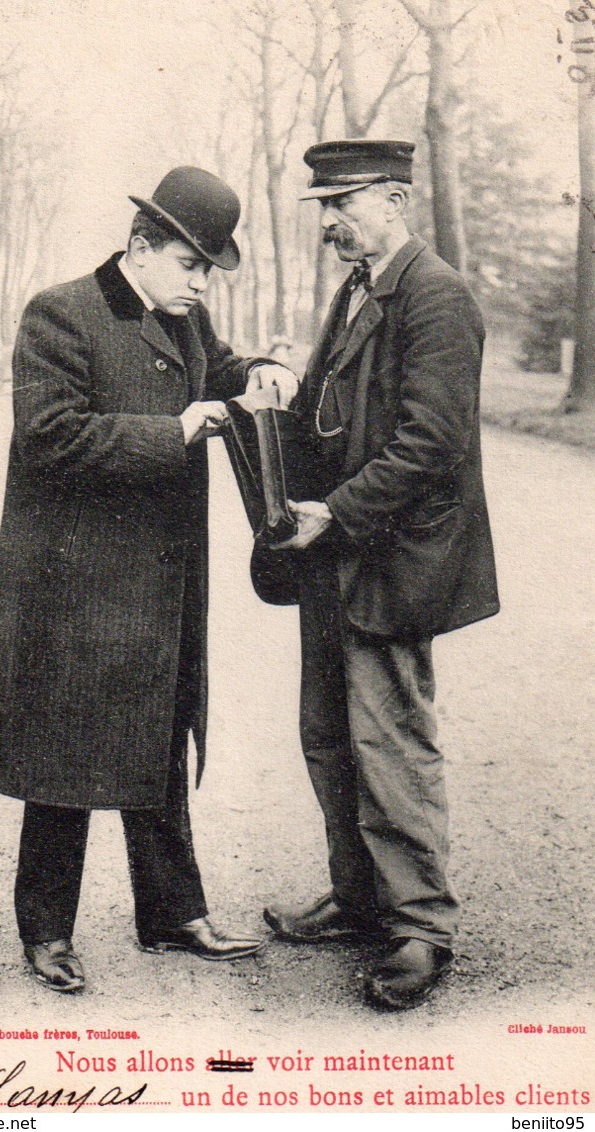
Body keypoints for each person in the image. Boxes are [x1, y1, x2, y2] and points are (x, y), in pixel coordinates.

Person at [0, 165, 299, 993]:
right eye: (191, 265)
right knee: (64, 756)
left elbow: (222, 370)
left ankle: (173, 914)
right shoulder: (61, 313)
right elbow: (49, 438)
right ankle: (45, 931)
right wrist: (175, 430)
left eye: (208, 271)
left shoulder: (182, 316)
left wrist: (261, 369)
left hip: (159, 578)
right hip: (75, 584)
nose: (199, 284)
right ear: (141, 247)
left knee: (159, 735)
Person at [263, 140, 499, 1010]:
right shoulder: (361, 286)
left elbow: (432, 444)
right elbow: (338, 413)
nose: (328, 221)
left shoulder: (435, 294)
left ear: (395, 199)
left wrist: (340, 510)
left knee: (390, 741)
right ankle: (359, 900)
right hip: (340, 552)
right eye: (323, 206)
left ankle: (421, 929)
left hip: (391, 559)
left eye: (343, 204)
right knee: (328, 733)